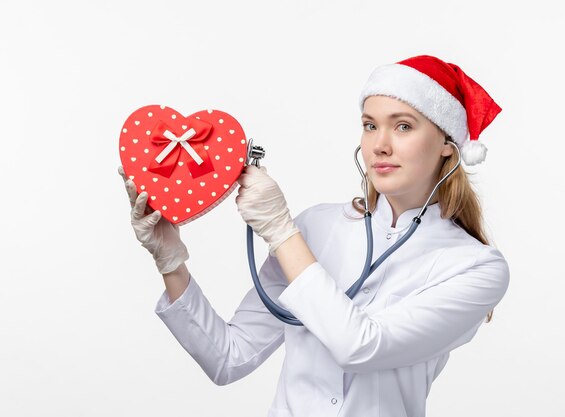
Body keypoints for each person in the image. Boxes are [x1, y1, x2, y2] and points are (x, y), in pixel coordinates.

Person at [118, 54, 510, 417]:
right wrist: (170, 261)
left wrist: (281, 231)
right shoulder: (317, 228)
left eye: (403, 125)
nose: (380, 145)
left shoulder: (475, 267)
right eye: (370, 125)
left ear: (448, 144)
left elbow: (361, 346)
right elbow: (228, 358)